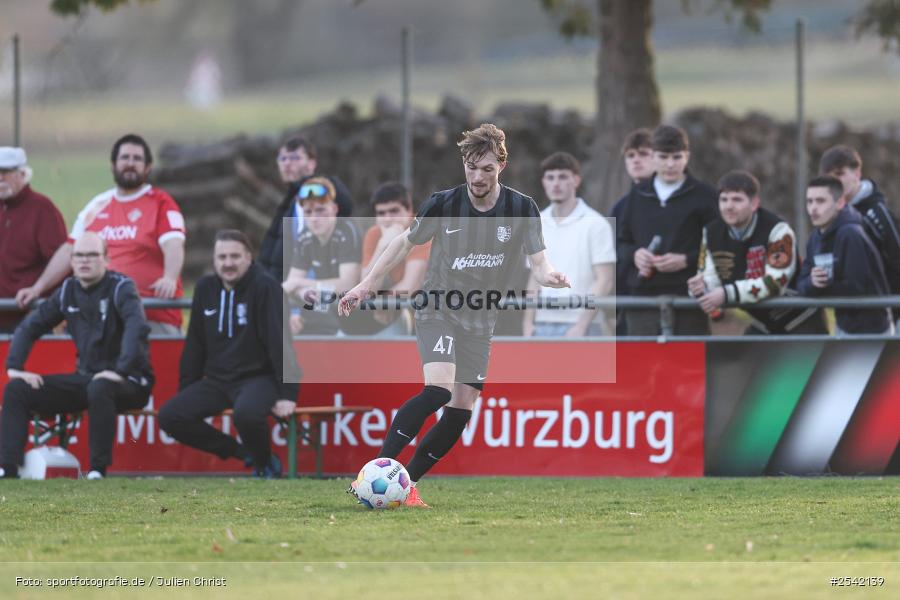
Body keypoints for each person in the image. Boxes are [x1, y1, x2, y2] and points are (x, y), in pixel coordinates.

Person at [339, 123, 570, 506]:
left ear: (502, 166)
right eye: (471, 167)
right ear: (463, 164)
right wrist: (365, 286)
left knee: (460, 411)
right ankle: (373, 472)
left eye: (487, 169)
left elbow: (539, 263)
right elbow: (402, 243)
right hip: (438, 309)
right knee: (438, 391)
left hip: (481, 320)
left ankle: (405, 486)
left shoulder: (521, 208)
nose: (478, 177)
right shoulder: (443, 203)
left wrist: (551, 276)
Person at [1, 232, 154, 480]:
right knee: (17, 389)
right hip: (87, 379)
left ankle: (96, 471)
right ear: (71, 261)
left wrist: (120, 371)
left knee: (100, 386)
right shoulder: (68, 290)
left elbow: (136, 329)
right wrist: (14, 367)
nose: (84, 260)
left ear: (106, 259)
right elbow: (30, 327)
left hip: (130, 381)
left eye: (92, 255)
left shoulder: (122, 287)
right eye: (79, 255)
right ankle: (8, 469)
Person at [158, 230, 301, 478]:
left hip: (259, 378)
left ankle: (265, 463)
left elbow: (280, 343)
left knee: (245, 414)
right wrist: (188, 389)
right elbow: (195, 343)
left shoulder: (266, 287)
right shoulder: (205, 288)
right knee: (171, 416)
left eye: (235, 256)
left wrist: (287, 393)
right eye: (222, 257)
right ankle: (243, 453)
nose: (228, 263)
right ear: (214, 260)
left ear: (249, 257)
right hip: (217, 381)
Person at [15, 134, 186, 335]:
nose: (130, 163)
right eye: (125, 158)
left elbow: (174, 244)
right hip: (100, 315)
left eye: (137, 159)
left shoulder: (162, 203)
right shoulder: (97, 205)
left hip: (150, 314)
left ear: (148, 167)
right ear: (113, 165)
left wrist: (169, 277)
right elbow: (70, 249)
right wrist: (38, 288)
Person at [688, 171, 826, 334]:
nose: (729, 206)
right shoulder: (710, 232)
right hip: (762, 323)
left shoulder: (778, 230)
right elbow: (710, 278)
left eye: (737, 199)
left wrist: (727, 293)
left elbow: (775, 282)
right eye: (723, 199)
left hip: (802, 319)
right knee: (742, 357)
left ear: (754, 204)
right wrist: (701, 288)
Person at [617, 124, 718, 335]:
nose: (670, 164)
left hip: (688, 296)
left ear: (687, 157)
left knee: (687, 364)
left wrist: (686, 260)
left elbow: (718, 245)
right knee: (643, 364)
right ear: (653, 157)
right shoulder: (637, 195)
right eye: (663, 157)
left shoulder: (705, 196)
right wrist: (636, 255)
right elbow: (621, 243)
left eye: (677, 157)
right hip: (643, 297)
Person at [523, 152, 615, 337]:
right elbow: (534, 277)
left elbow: (605, 280)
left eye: (563, 177)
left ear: (576, 180)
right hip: (541, 326)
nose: (556, 183)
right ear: (544, 182)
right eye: (550, 177)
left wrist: (582, 325)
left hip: (583, 327)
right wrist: (527, 323)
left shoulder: (596, 224)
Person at [797, 176, 893, 334]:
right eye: (809, 201)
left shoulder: (851, 233)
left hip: (872, 330)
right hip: (843, 326)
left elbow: (855, 289)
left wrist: (820, 287)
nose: (813, 208)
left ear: (840, 203)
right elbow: (802, 282)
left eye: (820, 201)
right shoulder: (815, 237)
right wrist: (812, 283)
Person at [257, 136, 355, 283]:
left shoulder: (325, 191)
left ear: (311, 164)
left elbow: (345, 205)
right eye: (282, 159)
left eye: (295, 158)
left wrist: (318, 182)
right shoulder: (289, 202)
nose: (287, 164)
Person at [281, 177, 362, 335]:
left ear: (334, 209)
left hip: (369, 313)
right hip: (338, 314)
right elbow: (289, 287)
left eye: (320, 210)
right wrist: (294, 313)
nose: (314, 218)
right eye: (308, 212)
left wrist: (301, 283)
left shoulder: (347, 230)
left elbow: (348, 284)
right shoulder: (305, 237)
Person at [0, 147, 68, 333]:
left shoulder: (43, 210)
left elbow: (61, 265)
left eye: (5, 172)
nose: (0, 178)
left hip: (26, 321)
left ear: (22, 174)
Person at [348, 181, 430, 335]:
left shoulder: (421, 230)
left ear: (409, 210)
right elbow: (365, 286)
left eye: (394, 211)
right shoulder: (374, 234)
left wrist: (382, 303)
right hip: (390, 313)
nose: (388, 218)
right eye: (381, 213)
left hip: (426, 313)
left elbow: (411, 286)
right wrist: (382, 246)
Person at [819, 144, 900, 294]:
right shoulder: (826, 215)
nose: (834, 182)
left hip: (883, 309)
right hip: (848, 310)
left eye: (839, 174)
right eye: (829, 178)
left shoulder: (876, 213)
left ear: (857, 173)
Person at [609, 128, 654, 336]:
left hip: (665, 296)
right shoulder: (620, 208)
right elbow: (615, 256)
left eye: (644, 154)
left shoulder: (671, 202)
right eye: (631, 155)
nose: (637, 160)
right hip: (629, 301)